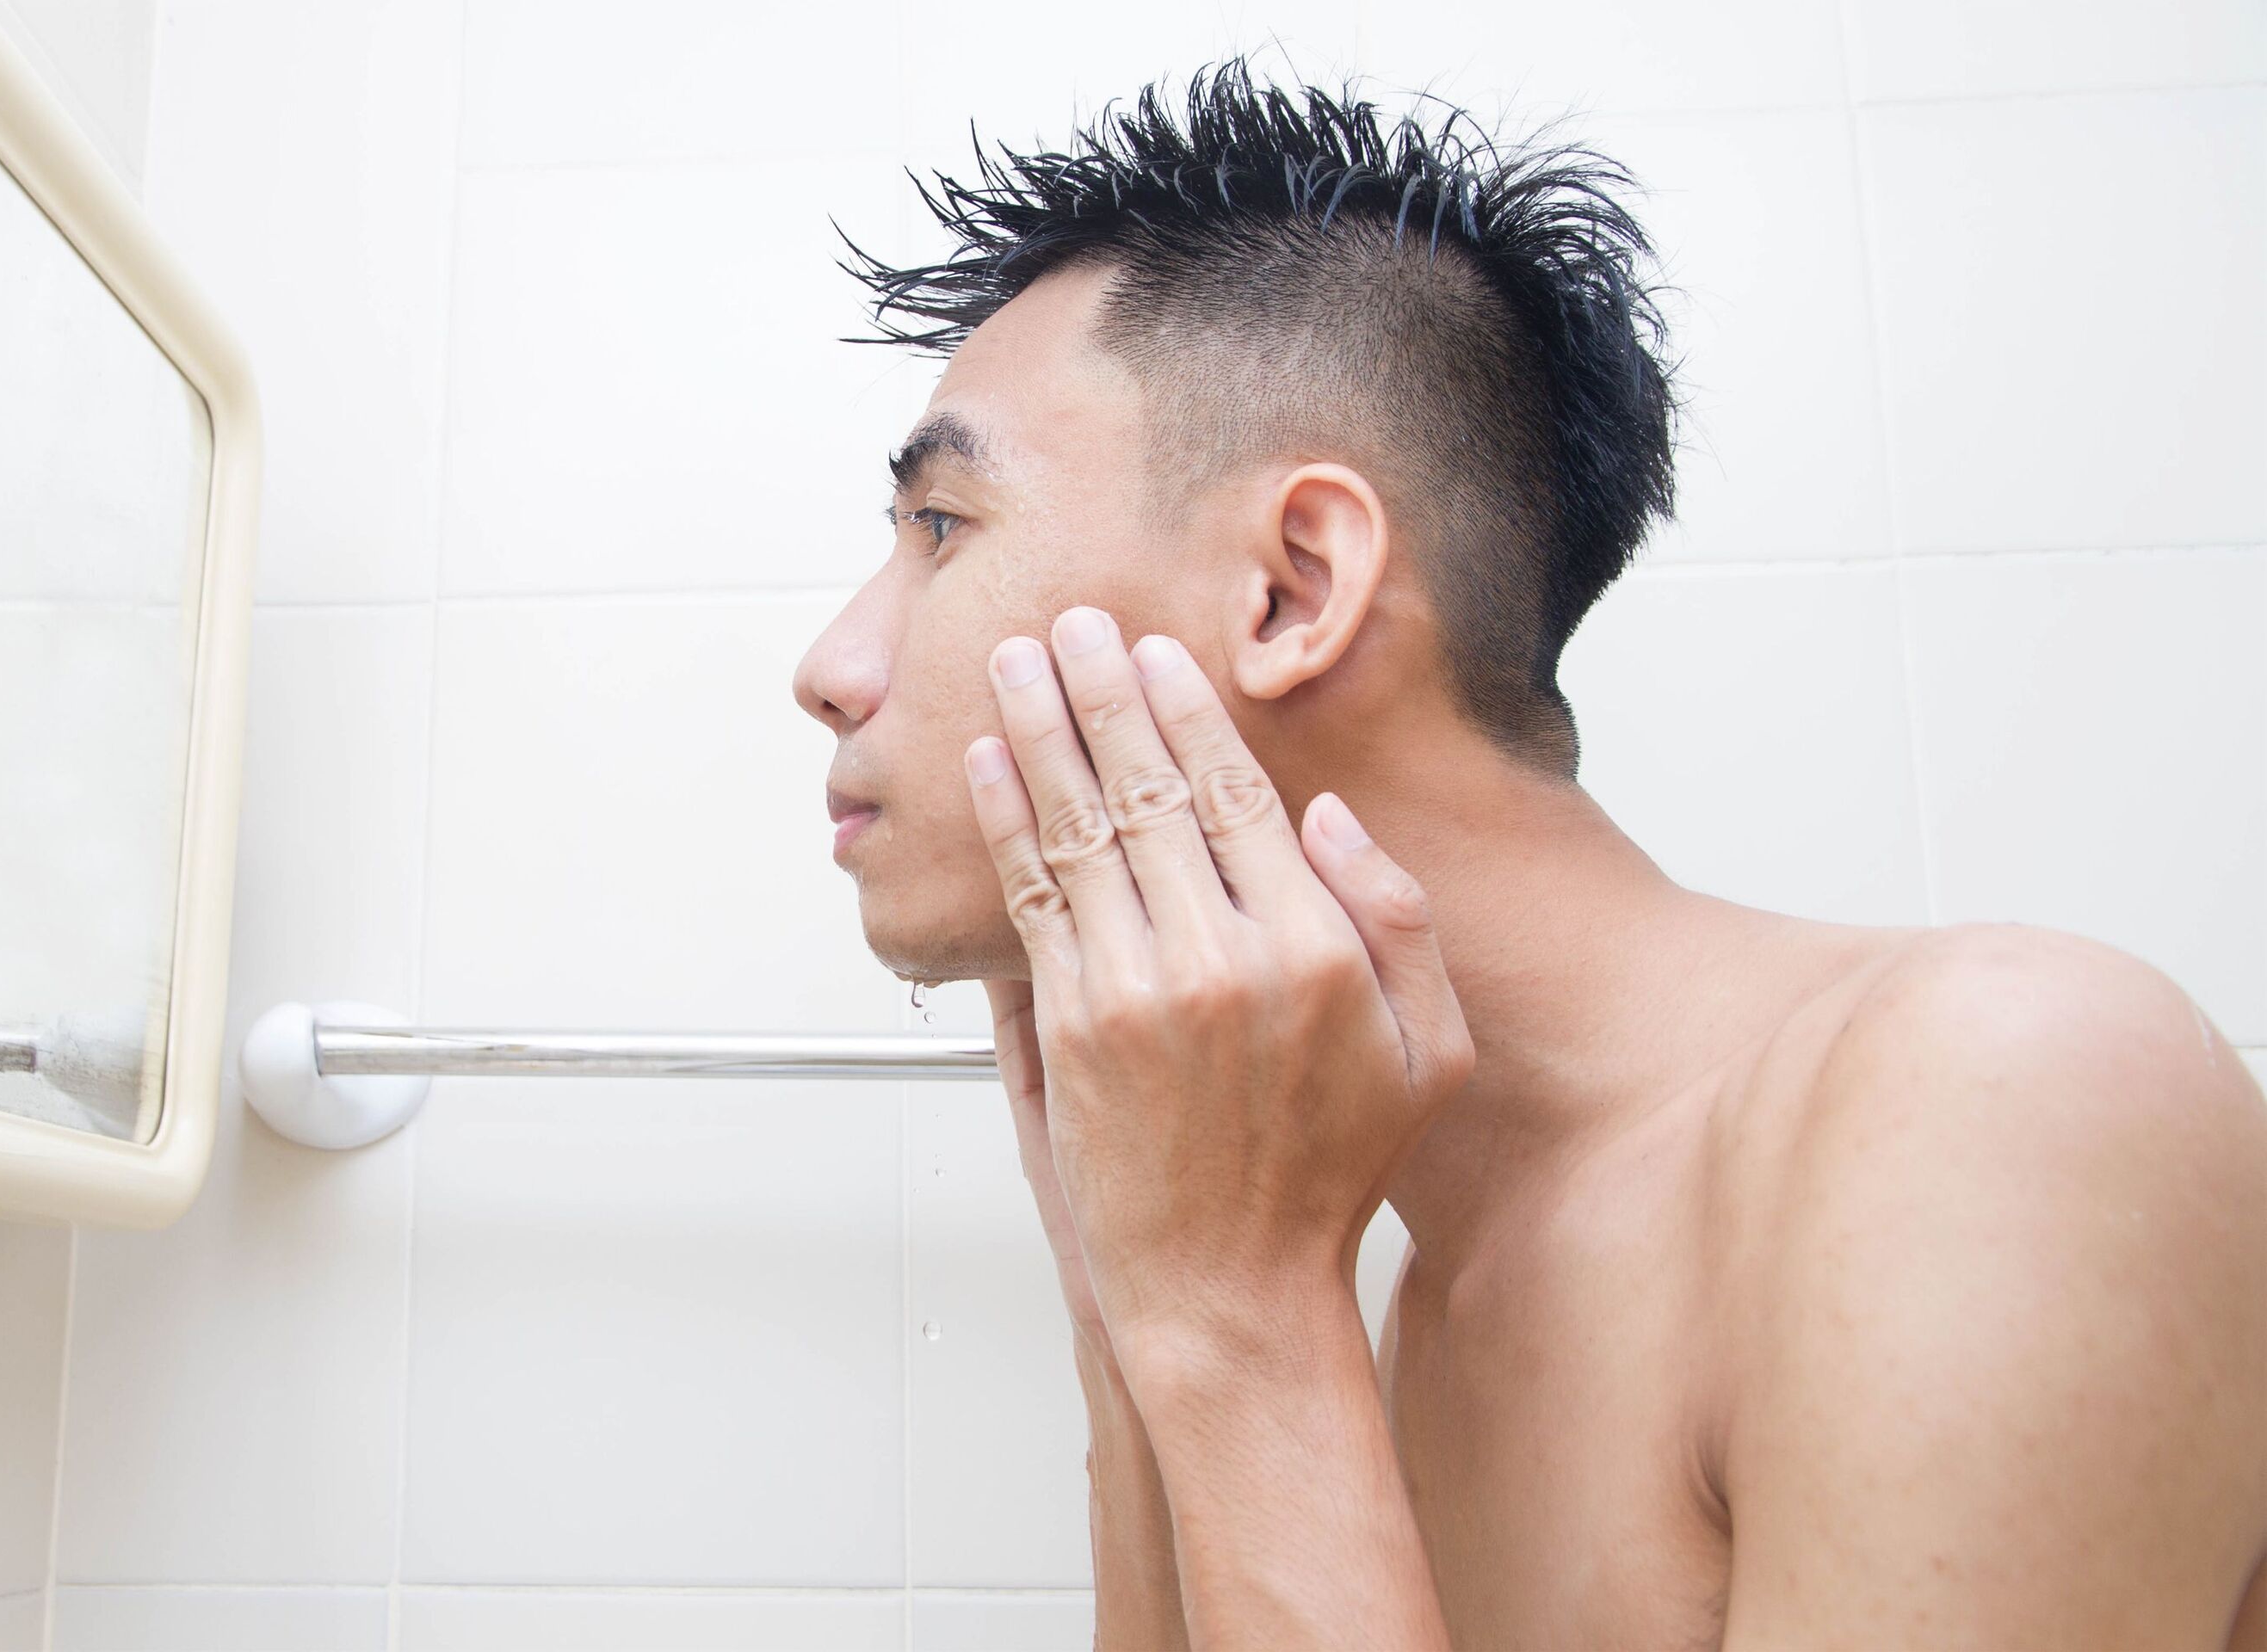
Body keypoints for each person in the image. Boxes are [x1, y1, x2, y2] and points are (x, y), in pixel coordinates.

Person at [792, 62, 2267, 1649]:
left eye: (941, 525)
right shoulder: (1431, 1313)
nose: (831, 662)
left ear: (1294, 587)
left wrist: (1237, 1333)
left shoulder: (2005, 1085)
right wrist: (1135, 1318)